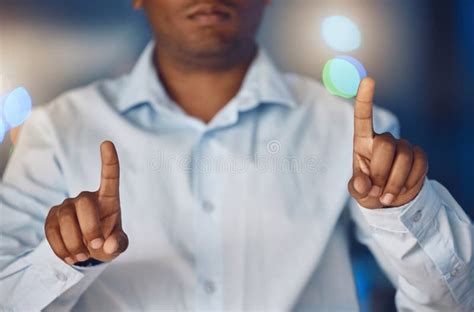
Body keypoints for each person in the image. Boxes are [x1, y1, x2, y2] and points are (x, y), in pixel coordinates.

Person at [0, 0, 472, 311]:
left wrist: (405, 210)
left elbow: (454, 303)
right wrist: (62, 260)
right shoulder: (57, 131)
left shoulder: (349, 132)